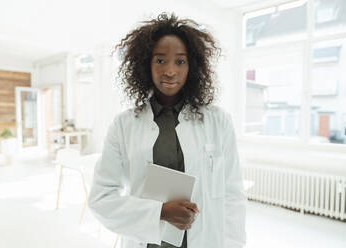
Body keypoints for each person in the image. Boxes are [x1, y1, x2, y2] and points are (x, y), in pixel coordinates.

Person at [88, 12, 246, 248]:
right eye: (160, 60)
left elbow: (233, 197)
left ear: (192, 66)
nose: (170, 71)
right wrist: (160, 212)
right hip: (148, 242)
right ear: (146, 65)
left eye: (180, 61)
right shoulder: (124, 125)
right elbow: (101, 198)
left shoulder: (218, 122)